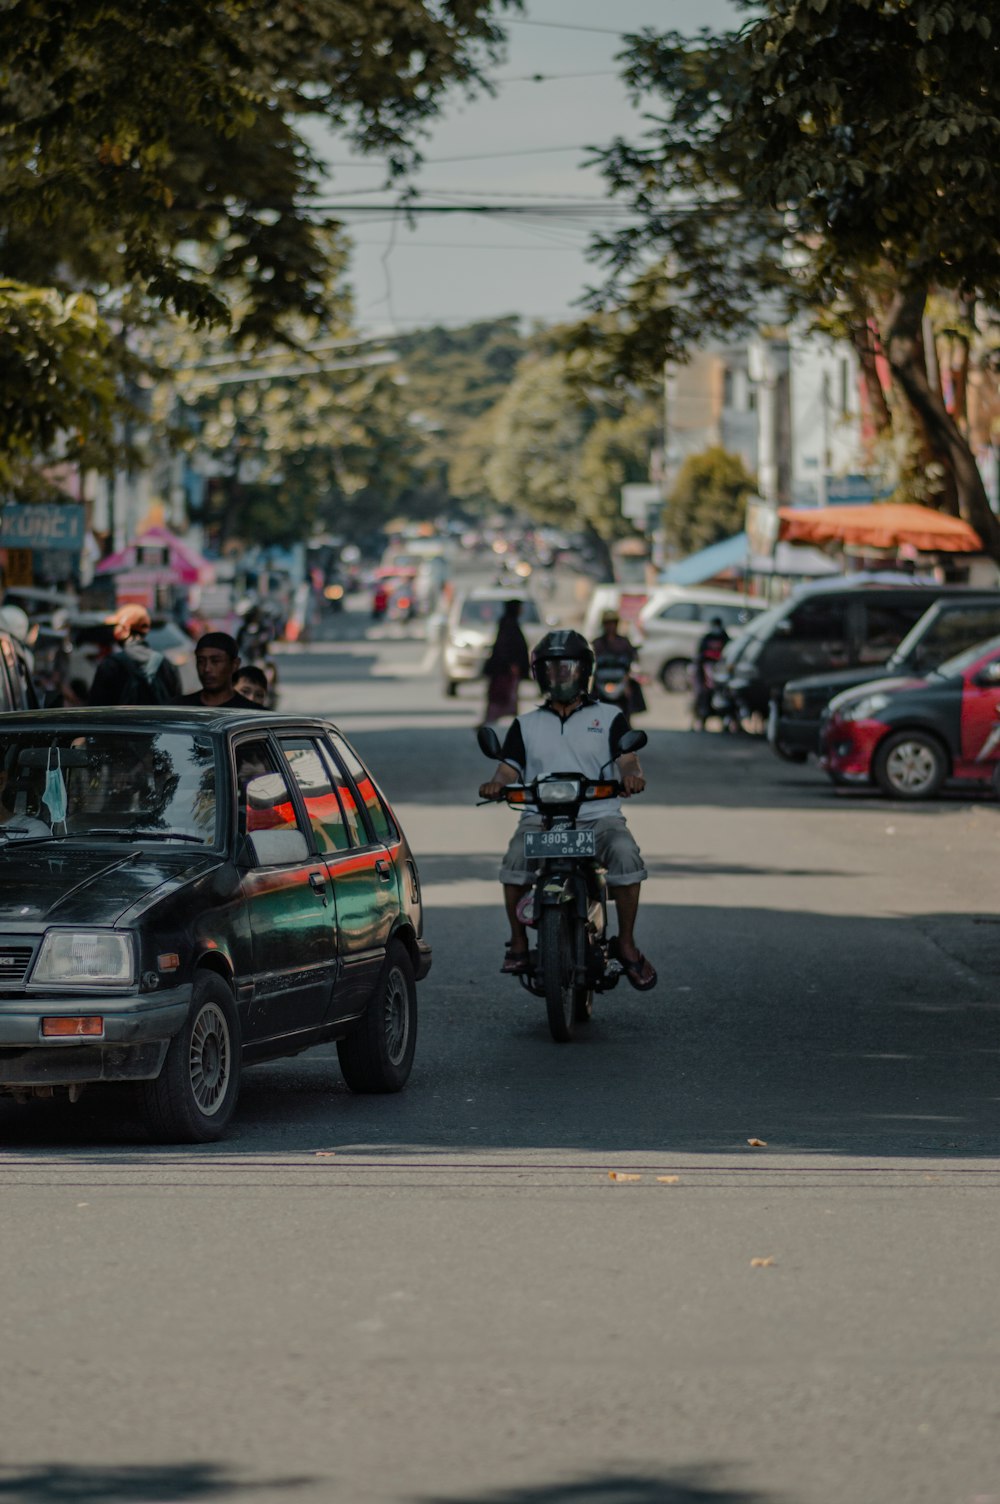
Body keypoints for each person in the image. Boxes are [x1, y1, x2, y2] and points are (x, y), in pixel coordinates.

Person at [478, 628, 657, 991]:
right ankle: (517, 942)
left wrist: (632, 776)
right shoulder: (525, 725)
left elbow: (628, 759)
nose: (560, 675)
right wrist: (496, 782)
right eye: (551, 669)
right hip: (540, 820)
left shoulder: (609, 716)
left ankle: (625, 942)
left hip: (598, 816)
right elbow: (508, 767)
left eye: (567, 667)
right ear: (540, 675)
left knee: (625, 855)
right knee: (514, 861)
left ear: (584, 671)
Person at [87, 605, 181, 706]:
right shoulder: (166, 664)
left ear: (124, 630)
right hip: (158, 721)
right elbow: (177, 704)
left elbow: (96, 706)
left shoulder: (110, 664)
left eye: (116, 627)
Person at [174, 633, 260, 709]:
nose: (207, 669)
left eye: (215, 661)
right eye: (201, 661)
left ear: (234, 665)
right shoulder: (178, 707)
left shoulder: (250, 712)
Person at [591, 608, 647, 722]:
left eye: (612, 623)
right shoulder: (597, 643)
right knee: (591, 698)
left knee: (632, 691)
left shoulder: (624, 642)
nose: (610, 626)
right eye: (608, 623)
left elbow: (631, 659)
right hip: (602, 678)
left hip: (620, 678)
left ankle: (628, 719)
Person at [482, 599, 531, 726]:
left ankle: (515, 724)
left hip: (506, 668)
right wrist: (511, 664)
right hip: (504, 669)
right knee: (502, 696)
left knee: (509, 696)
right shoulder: (508, 624)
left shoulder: (511, 622)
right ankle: (489, 721)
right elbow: (505, 646)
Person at [692, 616, 730, 731]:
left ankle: (726, 721)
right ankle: (701, 719)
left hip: (721, 672)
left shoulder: (725, 638)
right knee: (703, 695)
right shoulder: (707, 638)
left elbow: (728, 655)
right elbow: (699, 655)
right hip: (705, 672)